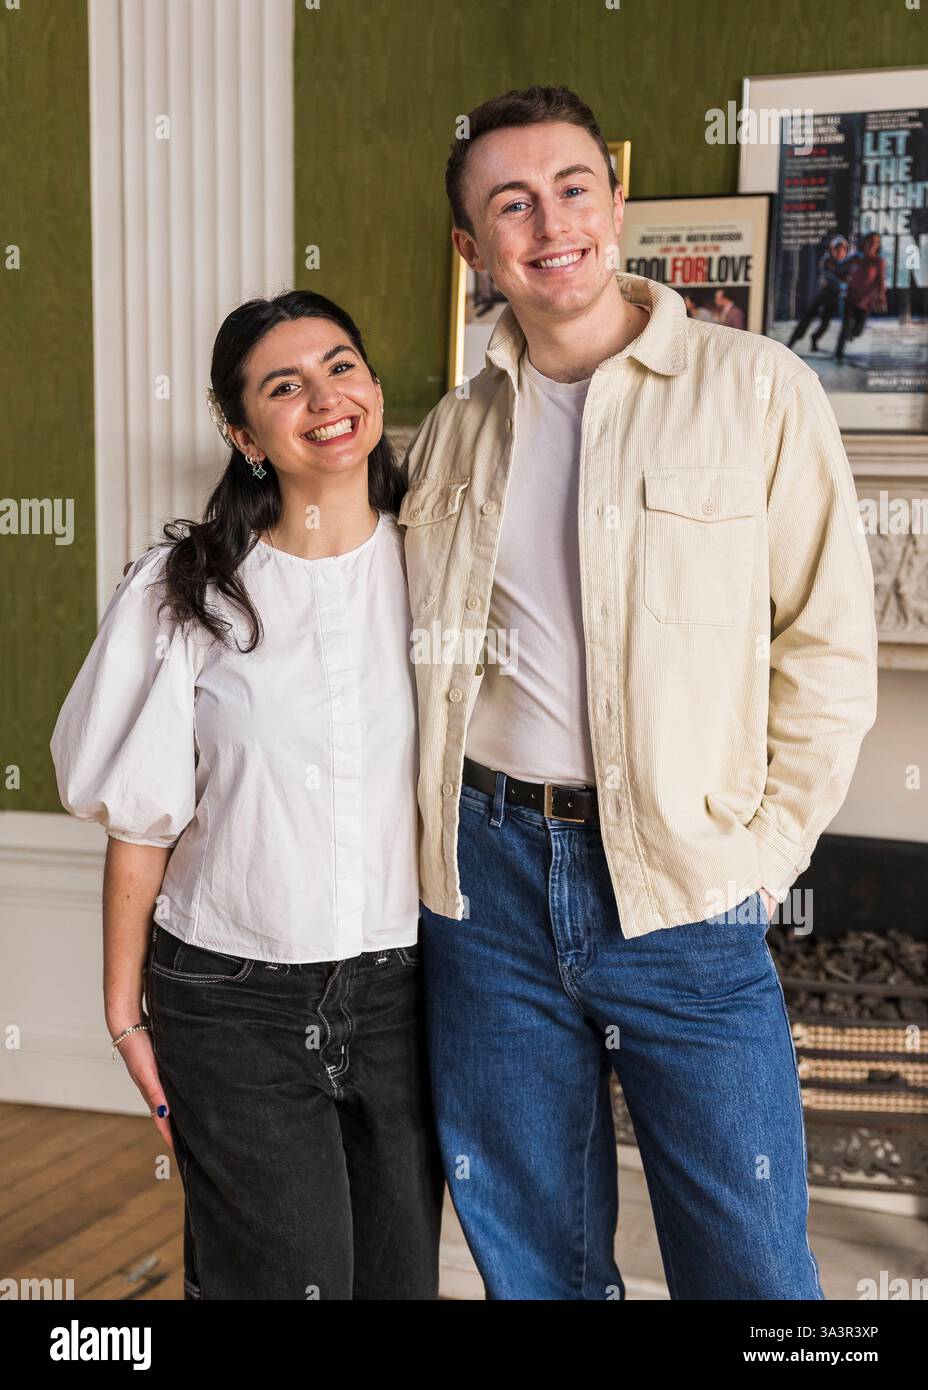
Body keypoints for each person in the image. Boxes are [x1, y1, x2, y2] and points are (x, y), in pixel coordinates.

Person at [399, 85, 878, 1300]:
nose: (549, 223)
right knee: (534, 1262)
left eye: (571, 189)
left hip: (684, 882)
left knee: (754, 1270)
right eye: (511, 204)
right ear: (474, 250)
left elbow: (826, 651)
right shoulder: (454, 430)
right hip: (486, 882)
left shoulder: (757, 389)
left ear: (616, 206)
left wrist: (762, 857)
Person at [50, 290, 445, 1301]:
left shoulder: (441, 566)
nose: (326, 395)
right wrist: (122, 1010)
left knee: (396, 1281)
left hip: (407, 992)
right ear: (243, 434)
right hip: (233, 1000)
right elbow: (144, 815)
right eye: (285, 385)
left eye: (341, 364)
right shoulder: (184, 592)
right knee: (286, 1281)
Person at [787, 234, 850, 352]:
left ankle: (814, 339)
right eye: (837, 249)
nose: (840, 252)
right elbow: (827, 275)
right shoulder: (827, 259)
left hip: (835, 298)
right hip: (822, 294)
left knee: (825, 323)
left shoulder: (849, 262)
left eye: (842, 250)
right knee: (807, 318)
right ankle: (791, 341)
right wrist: (841, 282)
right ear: (833, 250)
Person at [835, 232, 888, 362]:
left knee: (858, 331)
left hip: (865, 302)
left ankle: (851, 335)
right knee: (845, 327)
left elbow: (880, 281)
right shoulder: (855, 259)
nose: (872, 244)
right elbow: (839, 269)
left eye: (876, 242)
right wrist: (841, 281)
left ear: (878, 245)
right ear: (864, 243)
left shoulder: (878, 262)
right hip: (850, 298)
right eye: (870, 241)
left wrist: (881, 297)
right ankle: (838, 354)